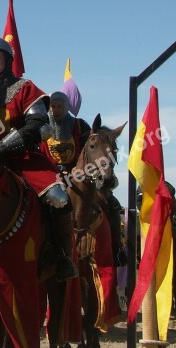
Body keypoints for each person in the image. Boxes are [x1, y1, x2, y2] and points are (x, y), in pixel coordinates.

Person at [0, 37, 78, 282]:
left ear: (7, 60)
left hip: (22, 157)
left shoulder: (25, 88)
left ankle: (61, 256)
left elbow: (40, 126)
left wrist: (3, 146)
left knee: (58, 198)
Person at [41, 91, 126, 268]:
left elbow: (92, 147)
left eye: (59, 106)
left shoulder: (79, 126)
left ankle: (117, 248)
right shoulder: (42, 125)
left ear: (65, 106)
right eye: (53, 106)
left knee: (112, 204)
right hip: (49, 176)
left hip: (77, 173)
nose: (56, 110)